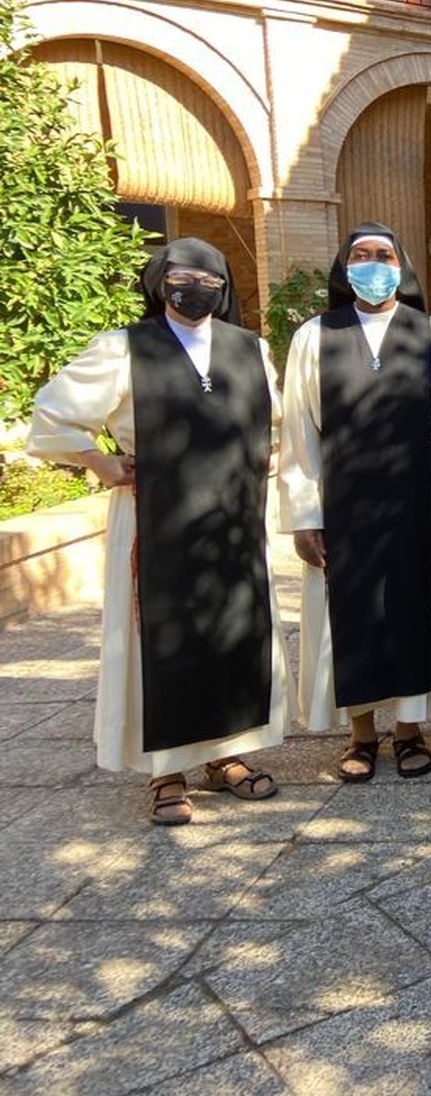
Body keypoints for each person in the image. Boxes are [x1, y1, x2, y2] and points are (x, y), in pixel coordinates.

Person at [27, 240, 288, 825]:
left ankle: (227, 758)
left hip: (234, 518)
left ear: (223, 288)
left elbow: (278, 422)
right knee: (161, 640)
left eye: (210, 275)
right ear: (159, 280)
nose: (196, 284)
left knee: (234, 632)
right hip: (157, 515)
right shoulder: (123, 348)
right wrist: (97, 461)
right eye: (182, 273)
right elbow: (53, 414)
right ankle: (166, 771)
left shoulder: (250, 349)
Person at [278, 225, 431, 781]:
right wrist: (304, 514)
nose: (373, 265)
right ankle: (360, 733)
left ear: (401, 265)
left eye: (383, 256)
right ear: (344, 268)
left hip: (416, 502)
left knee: (414, 611)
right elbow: (298, 432)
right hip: (344, 505)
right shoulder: (314, 337)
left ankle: (410, 730)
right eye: (360, 256)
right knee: (352, 614)